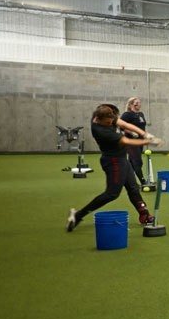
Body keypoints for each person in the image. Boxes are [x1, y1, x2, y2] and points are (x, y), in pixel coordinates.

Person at [67, 103, 160, 232]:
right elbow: (126, 142)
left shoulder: (105, 115)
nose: (111, 124)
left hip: (122, 159)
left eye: (112, 121)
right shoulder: (100, 131)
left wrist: (144, 134)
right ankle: (77, 215)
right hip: (113, 161)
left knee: (133, 187)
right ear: (99, 120)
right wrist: (148, 141)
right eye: (108, 122)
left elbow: (125, 125)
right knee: (112, 194)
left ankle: (144, 214)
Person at [120, 96, 149, 186]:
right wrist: (131, 132)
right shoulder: (127, 115)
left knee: (131, 163)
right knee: (137, 161)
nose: (139, 104)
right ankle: (143, 182)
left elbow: (142, 127)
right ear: (131, 105)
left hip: (140, 141)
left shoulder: (141, 114)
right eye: (137, 103)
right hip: (131, 142)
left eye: (140, 102)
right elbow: (120, 127)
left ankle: (128, 182)